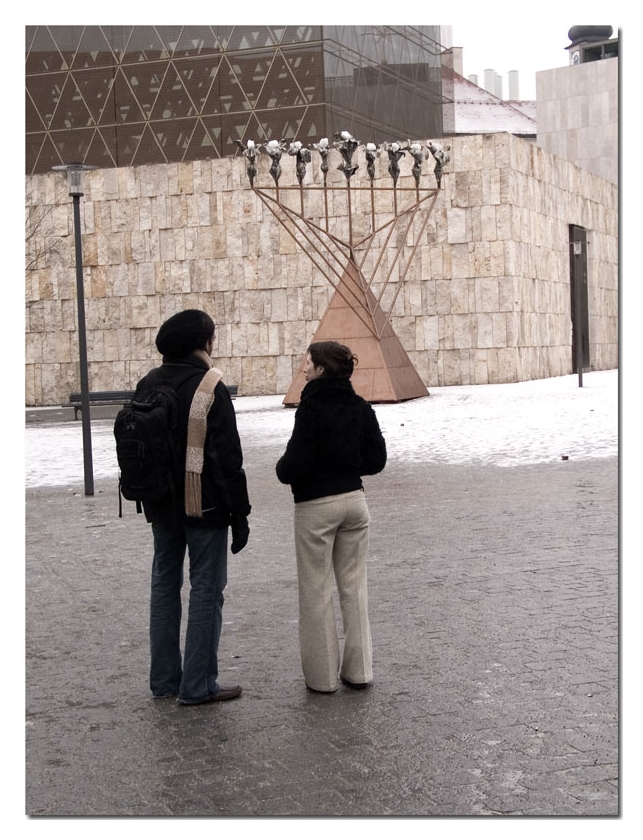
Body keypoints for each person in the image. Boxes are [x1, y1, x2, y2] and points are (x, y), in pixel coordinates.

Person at [134, 309, 251, 705]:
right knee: (206, 589)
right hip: (205, 507)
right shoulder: (209, 385)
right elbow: (227, 458)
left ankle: (165, 680)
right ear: (203, 343)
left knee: (163, 585)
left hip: (161, 505)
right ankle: (198, 685)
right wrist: (241, 515)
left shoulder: (147, 383)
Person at [276, 341, 387, 693]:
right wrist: (346, 465)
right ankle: (360, 671)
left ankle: (322, 679)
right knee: (354, 589)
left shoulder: (310, 407)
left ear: (321, 369)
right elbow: (376, 460)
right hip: (355, 503)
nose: (303, 368)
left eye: (307, 362)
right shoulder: (359, 405)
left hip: (316, 508)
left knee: (316, 591)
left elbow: (294, 464)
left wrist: (282, 468)